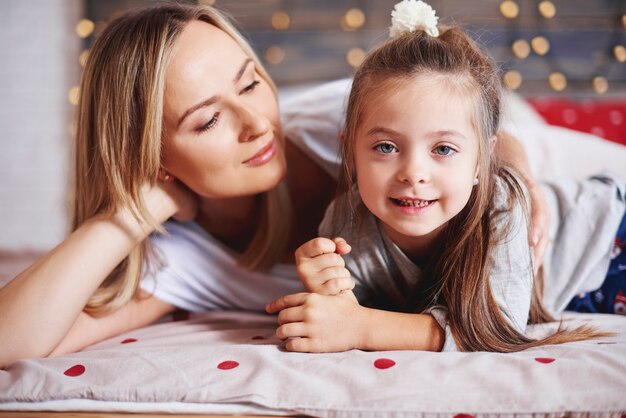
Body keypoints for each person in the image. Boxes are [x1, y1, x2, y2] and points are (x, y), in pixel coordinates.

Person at [0, 3, 548, 368]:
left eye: (251, 82)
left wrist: (517, 174)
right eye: (208, 120)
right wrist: (139, 205)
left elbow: (484, 115)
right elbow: (13, 340)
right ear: (152, 156)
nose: (259, 122)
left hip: (557, 174)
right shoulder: (182, 261)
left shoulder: (353, 120)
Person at [266, 0, 625, 353]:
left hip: (607, 242)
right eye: (387, 147)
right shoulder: (345, 224)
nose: (414, 173)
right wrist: (329, 288)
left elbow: (496, 326)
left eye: (443, 149)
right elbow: (348, 312)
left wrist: (361, 329)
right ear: (350, 153)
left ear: (480, 161)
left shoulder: (501, 204)